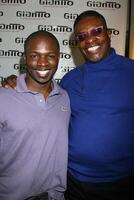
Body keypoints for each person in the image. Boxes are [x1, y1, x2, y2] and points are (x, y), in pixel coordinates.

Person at [1, 10, 134, 200]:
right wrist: (12, 82)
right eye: (82, 36)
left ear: (108, 33)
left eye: (96, 31)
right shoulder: (69, 82)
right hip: (72, 183)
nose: (90, 40)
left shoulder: (131, 72)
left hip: (120, 184)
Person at [0, 30, 70, 200]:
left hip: (55, 196)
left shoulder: (64, 98)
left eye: (50, 55)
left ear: (59, 57)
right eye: (34, 55)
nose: (43, 63)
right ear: (24, 57)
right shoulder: (4, 96)